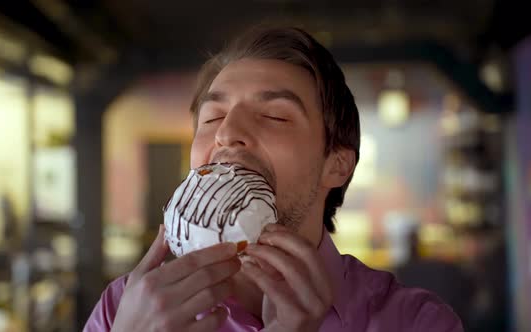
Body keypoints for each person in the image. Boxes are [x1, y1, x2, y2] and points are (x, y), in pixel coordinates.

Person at [84, 26, 463, 332]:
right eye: (213, 117)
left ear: (337, 164)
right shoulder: (122, 310)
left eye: (276, 116)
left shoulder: (416, 322)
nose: (227, 132)